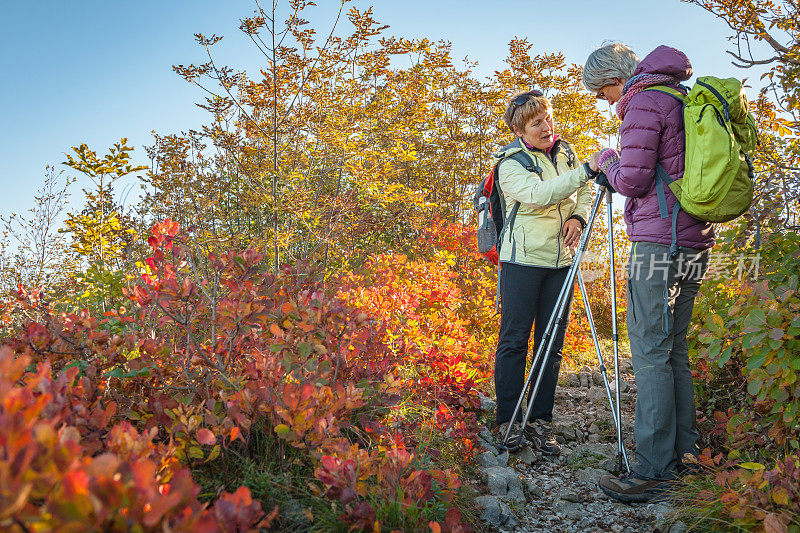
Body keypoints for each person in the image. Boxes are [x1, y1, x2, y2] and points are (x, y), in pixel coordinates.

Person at [583, 43, 714, 501]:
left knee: (651, 353)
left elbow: (634, 180)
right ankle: (685, 456)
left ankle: (653, 471)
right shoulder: (678, 95)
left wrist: (606, 161)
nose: (606, 103)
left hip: (659, 243)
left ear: (613, 80)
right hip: (694, 241)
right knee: (673, 350)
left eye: (602, 94)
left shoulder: (641, 101)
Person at [494, 89, 596, 455]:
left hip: (561, 263)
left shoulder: (566, 153)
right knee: (515, 340)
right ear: (520, 131)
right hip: (522, 262)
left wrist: (579, 216)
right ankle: (508, 419)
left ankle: (540, 422)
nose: (547, 126)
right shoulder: (510, 163)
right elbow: (539, 194)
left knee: (550, 343)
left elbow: (585, 190)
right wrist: (585, 171)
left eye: (548, 118)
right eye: (537, 123)